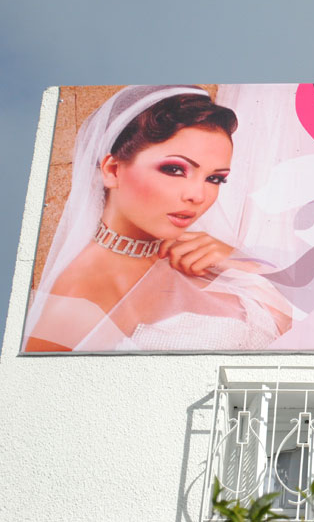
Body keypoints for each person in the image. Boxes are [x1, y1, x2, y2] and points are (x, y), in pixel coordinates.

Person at [23, 85, 293, 352]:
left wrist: (240, 262)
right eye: (174, 169)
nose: (198, 195)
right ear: (113, 170)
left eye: (214, 178)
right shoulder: (77, 298)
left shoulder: (199, 254)